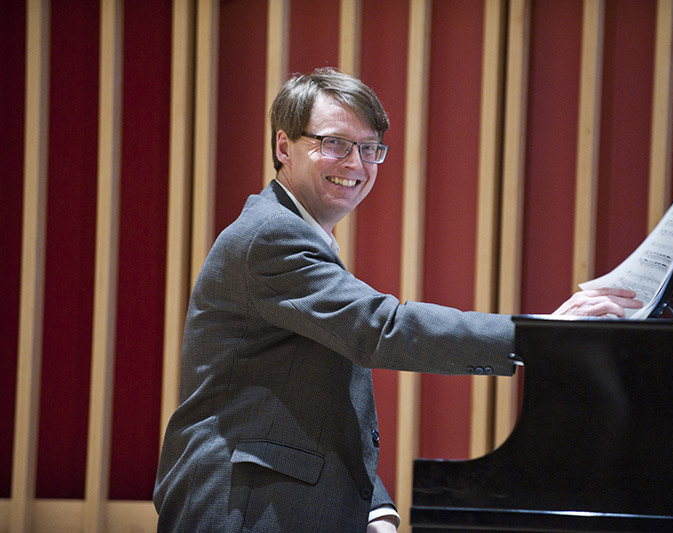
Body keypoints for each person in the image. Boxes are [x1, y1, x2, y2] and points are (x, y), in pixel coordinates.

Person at [153, 67, 642, 532]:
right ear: (284, 146)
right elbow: (382, 328)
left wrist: (375, 506)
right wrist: (540, 335)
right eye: (334, 143)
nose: (356, 164)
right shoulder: (271, 235)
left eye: (369, 148)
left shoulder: (295, 233)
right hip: (239, 506)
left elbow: (311, 404)